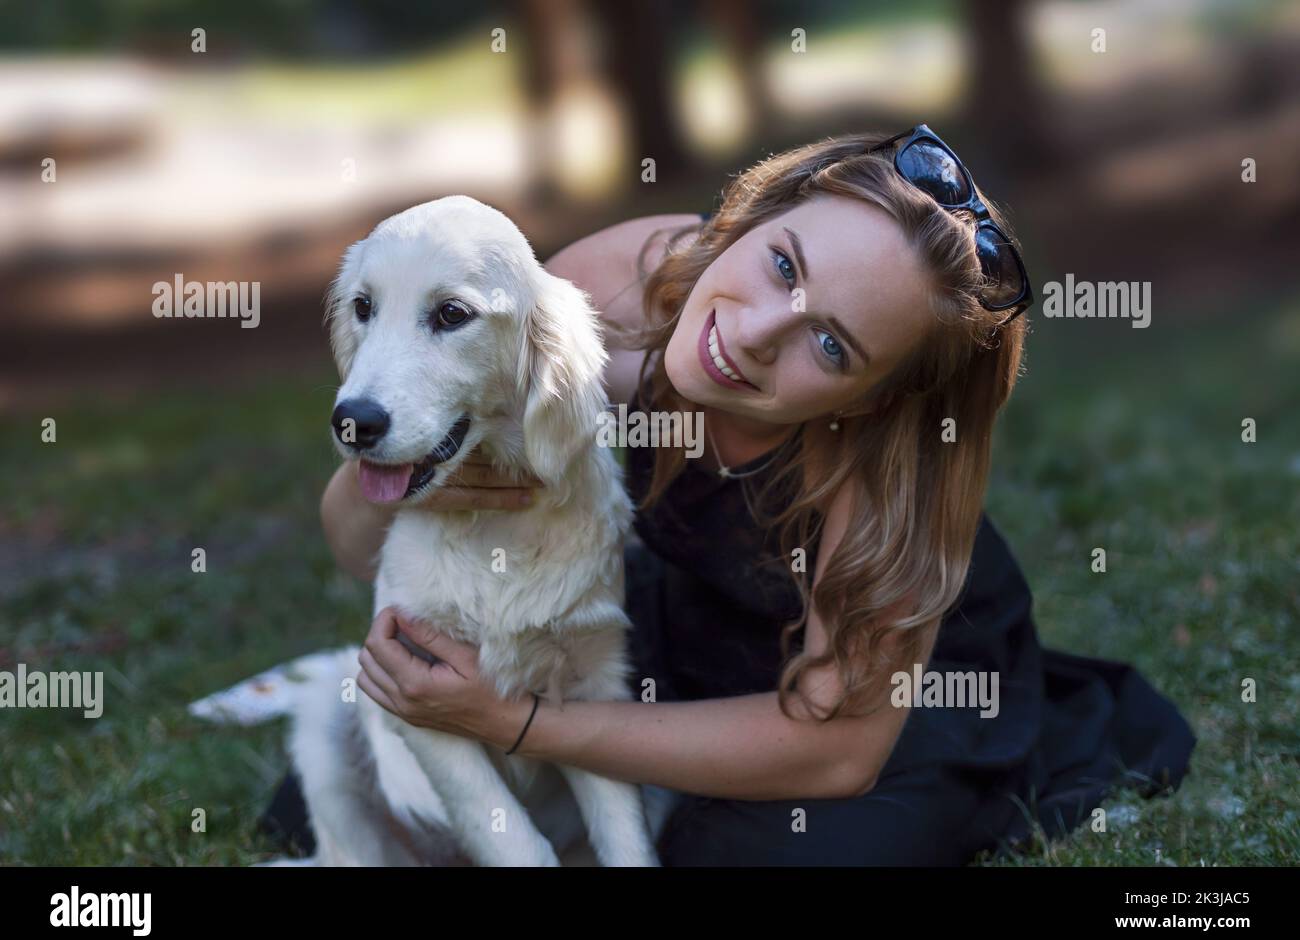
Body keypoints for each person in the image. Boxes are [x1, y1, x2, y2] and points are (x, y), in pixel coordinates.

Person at [261, 128, 1195, 865]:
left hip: (860, 690)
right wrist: (409, 464)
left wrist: (520, 723)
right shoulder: (608, 288)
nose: (755, 334)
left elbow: (832, 750)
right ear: (759, 213)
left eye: (831, 346)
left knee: (778, 852)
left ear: (872, 396)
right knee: (338, 794)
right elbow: (356, 543)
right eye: (783, 265)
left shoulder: (878, 469)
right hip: (673, 623)